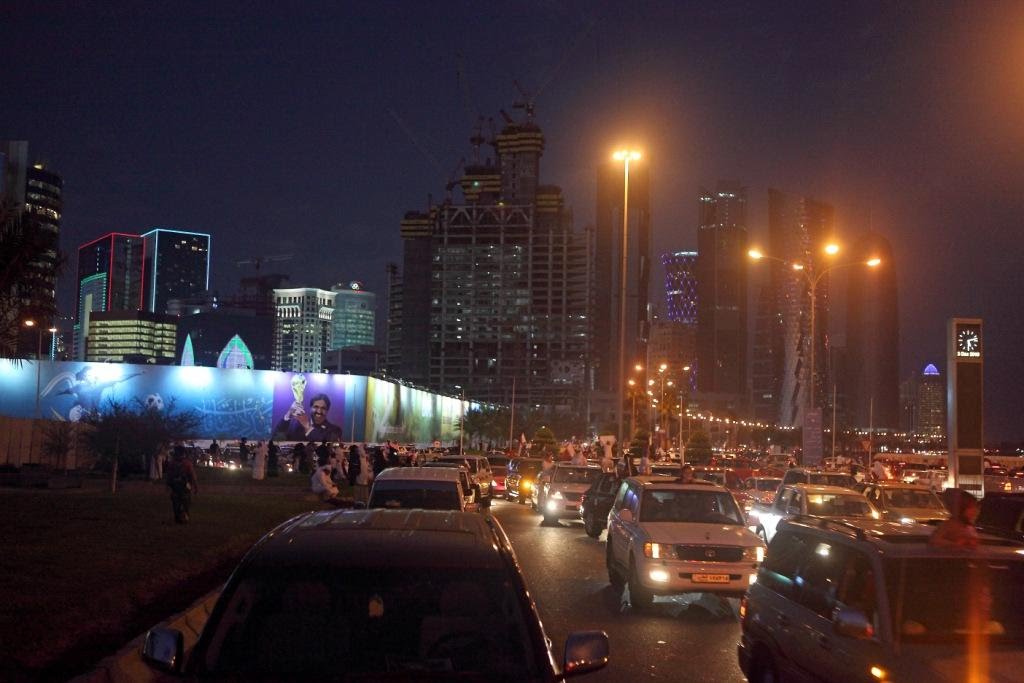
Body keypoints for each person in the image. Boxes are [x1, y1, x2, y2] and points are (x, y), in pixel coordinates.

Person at [274, 392, 344, 442]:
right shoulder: (295, 426)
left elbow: (325, 444)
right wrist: (288, 414)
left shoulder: (334, 430)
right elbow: (277, 437)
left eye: (323, 408)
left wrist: (308, 427)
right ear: (310, 407)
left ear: (327, 410)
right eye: (316, 407)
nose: (319, 411)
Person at [165, 444, 198, 524]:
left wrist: (168, 485)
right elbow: (192, 476)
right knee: (186, 502)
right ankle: (185, 516)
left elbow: (169, 475)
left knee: (176, 502)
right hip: (185, 486)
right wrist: (195, 486)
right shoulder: (187, 463)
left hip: (175, 486)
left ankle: (178, 517)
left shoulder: (172, 463)